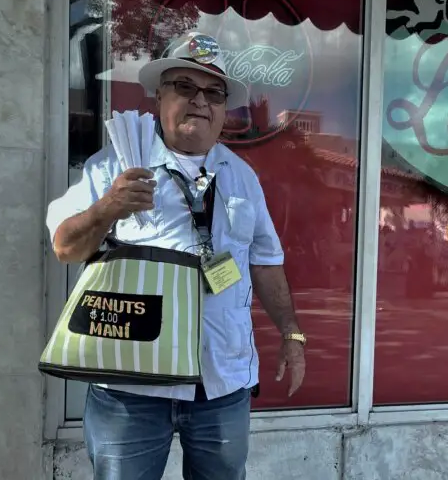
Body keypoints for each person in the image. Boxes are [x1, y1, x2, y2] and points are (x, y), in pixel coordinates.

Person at [46, 31, 306, 480]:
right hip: (131, 386)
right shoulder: (116, 165)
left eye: (213, 92)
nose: (200, 101)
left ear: (225, 110)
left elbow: (265, 262)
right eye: (184, 87)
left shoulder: (243, 177)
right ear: (159, 97)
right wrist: (109, 207)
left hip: (221, 381)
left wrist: (292, 335)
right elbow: (65, 248)